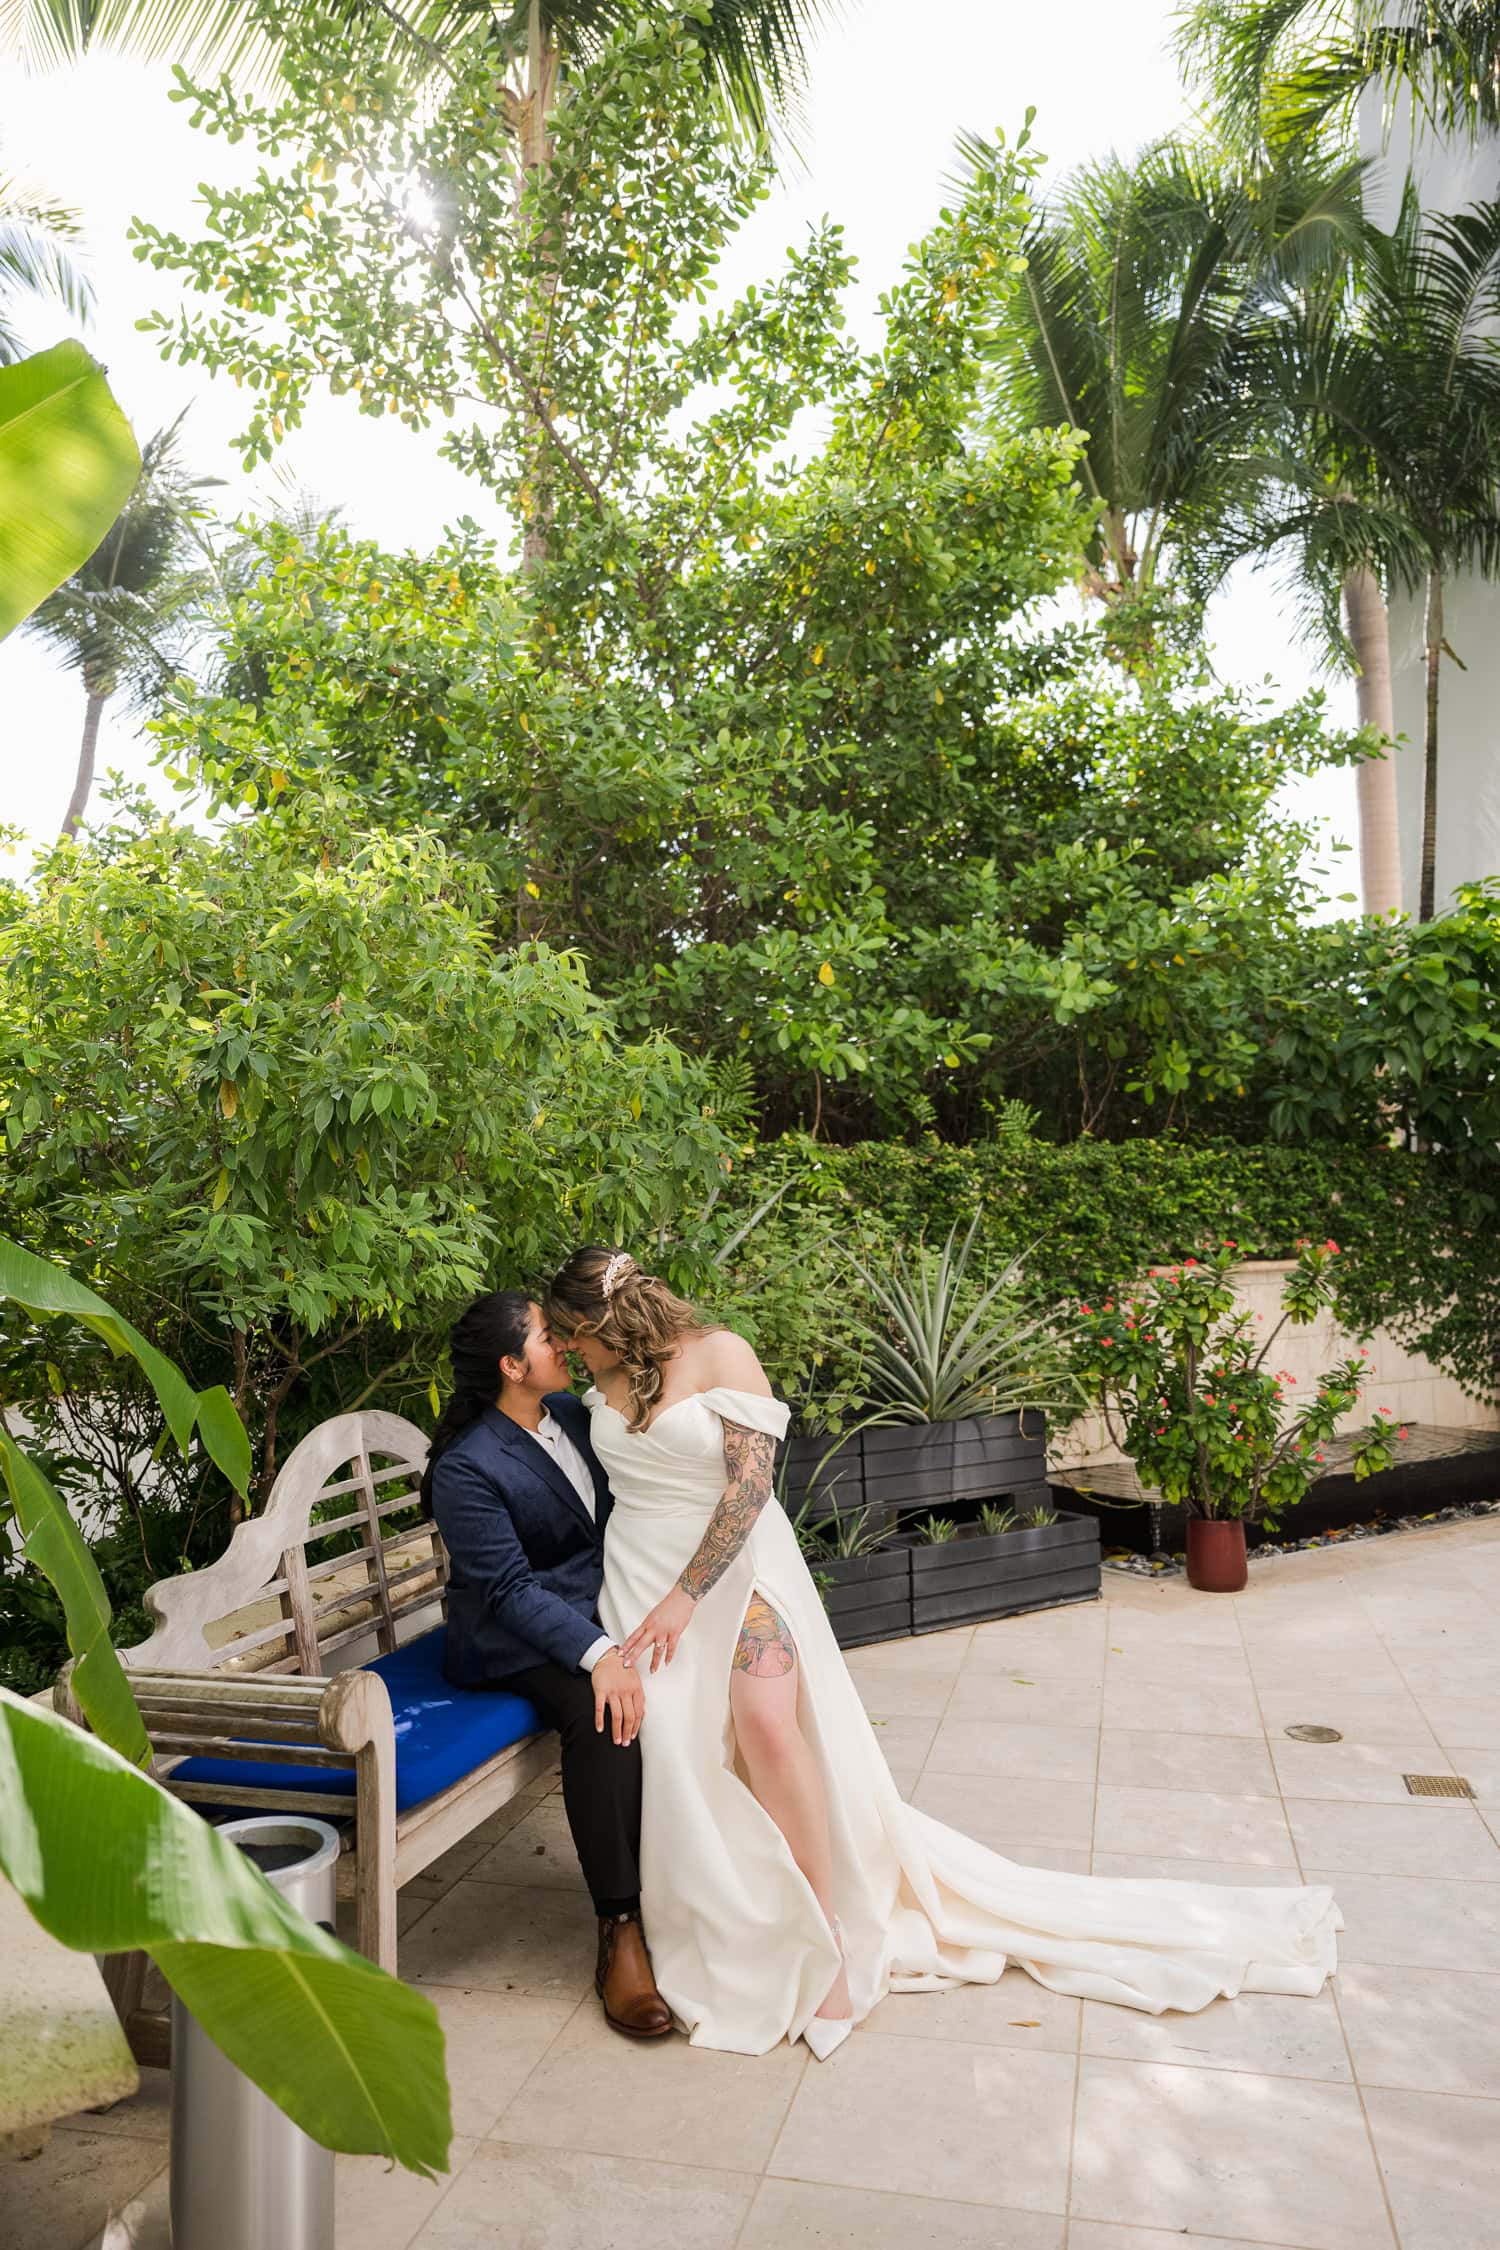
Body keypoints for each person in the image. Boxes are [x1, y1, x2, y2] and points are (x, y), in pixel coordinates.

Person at [543, 1245, 1344, 2062]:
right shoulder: (597, 1386)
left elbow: (751, 1491)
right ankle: (713, 1918)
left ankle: (831, 1939)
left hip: (734, 1568)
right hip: (638, 1578)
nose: (573, 1355)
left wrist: (689, 1596)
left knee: (766, 1725)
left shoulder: (722, 1352)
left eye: (576, 1338)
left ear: (604, 1318)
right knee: (677, 1751)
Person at [421, 1289, 672, 2040]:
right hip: (504, 1638)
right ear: (509, 1365)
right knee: (601, 1713)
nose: (562, 1343)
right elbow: (505, 1589)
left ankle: (690, 1893)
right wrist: (599, 1653)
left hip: (591, 1610)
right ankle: (620, 1931)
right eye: (543, 1336)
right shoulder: (465, 1470)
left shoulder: (570, 1415)